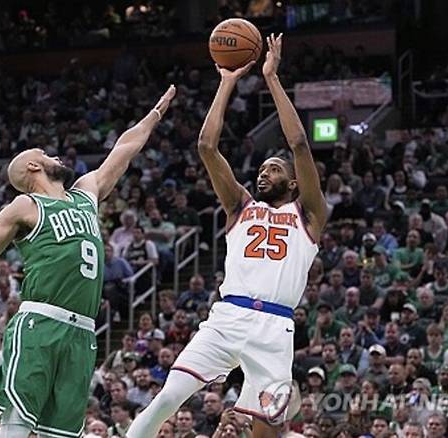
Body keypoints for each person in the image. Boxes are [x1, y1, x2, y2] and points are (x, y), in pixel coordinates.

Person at [0, 86, 176, 438]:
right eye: (45, 153)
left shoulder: (85, 193)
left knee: (62, 432)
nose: (54, 155)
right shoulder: (25, 206)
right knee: (18, 420)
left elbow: (125, 148)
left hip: (83, 331)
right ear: (33, 166)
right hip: (40, 322)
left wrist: (155, 114)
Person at [127, 34, 326, 438]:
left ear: (292, 182)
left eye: (273, 169)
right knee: (167, 397)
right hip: (228, 316)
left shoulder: (308, 215)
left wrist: (271, 77)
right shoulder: (240, 206)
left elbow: (300, 144)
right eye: (262, 169)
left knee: (267, 432)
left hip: (275, 327)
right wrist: (227, 82)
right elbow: (206, 146)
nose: (263, 173)